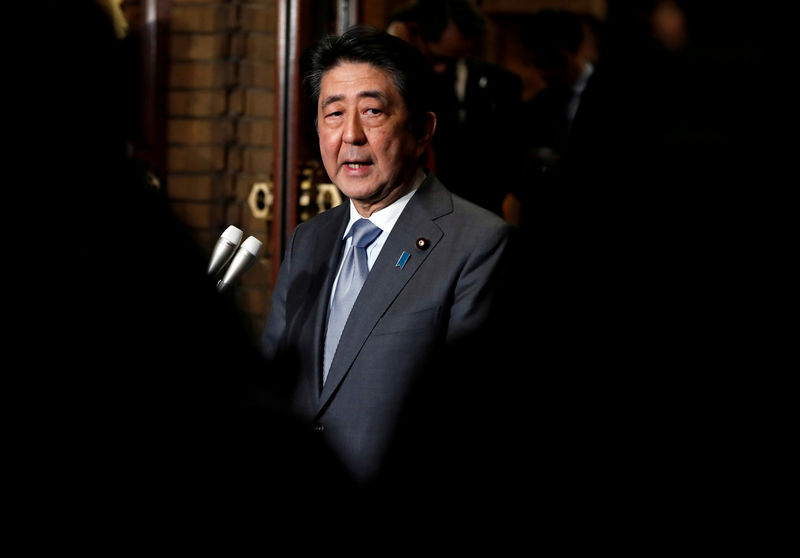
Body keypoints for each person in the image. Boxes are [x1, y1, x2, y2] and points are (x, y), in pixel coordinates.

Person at [260, 25, 516, 490]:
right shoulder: (308, 240)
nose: (351, 136)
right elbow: (273, 386)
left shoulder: (479, 244)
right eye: (333, 114)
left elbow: (470, 422)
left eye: (372, 111)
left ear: (422, 129)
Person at [388, 0, 524, 218]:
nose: (440, 69)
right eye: (435, 59)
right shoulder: (397, 74)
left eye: (450, 62)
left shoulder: (496, 83)